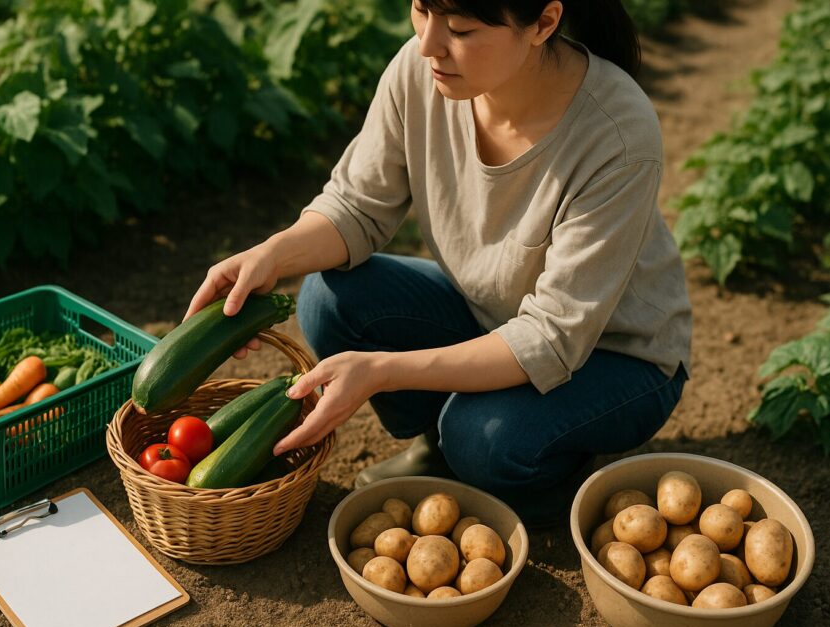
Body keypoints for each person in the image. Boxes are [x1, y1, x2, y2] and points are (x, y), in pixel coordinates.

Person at [184, 0, 692, 527]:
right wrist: (271, 255)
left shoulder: (616, 133)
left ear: (543, 23)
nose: (428, 44)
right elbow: (357, 207)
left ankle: (552, 478)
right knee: (330, 298)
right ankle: (441, 448)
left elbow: (550, 338)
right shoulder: (422, 71)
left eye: (461, 29)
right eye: (420, 10)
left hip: (615, 357)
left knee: (482, 439)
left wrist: (384, 372)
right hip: (494, 316)